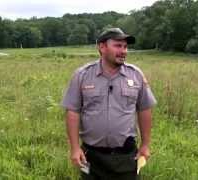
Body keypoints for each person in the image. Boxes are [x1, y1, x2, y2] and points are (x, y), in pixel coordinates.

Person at [61, 28, 157, 180]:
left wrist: (145, 144)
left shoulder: (135, 74)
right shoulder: (82, 75)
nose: (124, 51)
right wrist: (74, 148)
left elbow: (144, 109)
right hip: (91, 156)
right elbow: (73, 111)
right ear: (102, 47)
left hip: (126, 156)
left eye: (125, 47)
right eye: (118, 46)